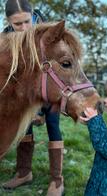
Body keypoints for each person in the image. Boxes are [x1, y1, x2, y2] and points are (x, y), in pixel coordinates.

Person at [2, 1, 64, 195]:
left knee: (53, 126)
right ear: (8, 21)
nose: (23, 28)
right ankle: (23, 173)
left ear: (33, 14)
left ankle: (56, 180)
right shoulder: (5, 37)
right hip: (24, 93)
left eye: (26, 22)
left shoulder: (50, 32)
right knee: (24, 129)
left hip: (48, 89)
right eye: (17, 24)